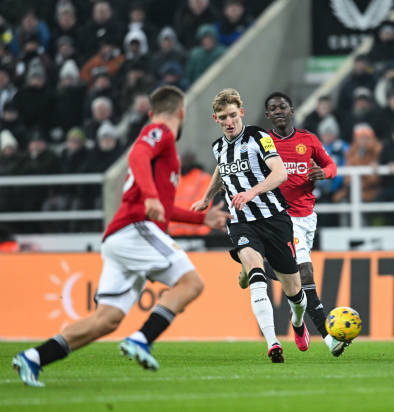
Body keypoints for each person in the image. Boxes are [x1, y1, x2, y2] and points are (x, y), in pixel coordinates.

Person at [12, 85, 231, 387]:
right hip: (135, 230)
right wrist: (151, 196)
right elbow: (137, 154)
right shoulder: (159, 132)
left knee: (106, 320)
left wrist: (201, 217)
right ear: (180, 113)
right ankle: (142, 339)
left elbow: (164, 209)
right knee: (192, 282)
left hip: (120, 237)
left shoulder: (166, 155)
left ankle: (33, 358)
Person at [191, 88, 308, 363]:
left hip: (274, 219)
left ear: (241, 113)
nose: (229, 121)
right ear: (216, 119)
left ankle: (298, 322)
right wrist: (207, 198)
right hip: (241, 221)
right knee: (256, 273)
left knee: (295, 292)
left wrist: (252, 192)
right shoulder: (218, 146)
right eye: (223, 118)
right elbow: (221, 169)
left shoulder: (259, 138)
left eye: (232, 115)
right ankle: (273, 343)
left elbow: (279, 173)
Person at [261, 91, 348, 357]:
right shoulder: (263, 142)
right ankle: (330, 338)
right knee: (306, 275)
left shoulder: (308, 140)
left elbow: (331, 165)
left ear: (292, 110)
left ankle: (297, 322)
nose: (278, 111)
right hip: (280, 218)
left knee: (295, 283)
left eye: (282, 106)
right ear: (268, 115)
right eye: (272, 108)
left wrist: (325, 173)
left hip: (307, 217)